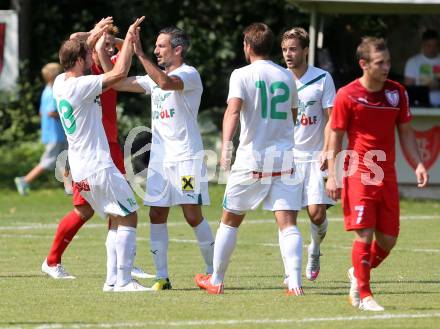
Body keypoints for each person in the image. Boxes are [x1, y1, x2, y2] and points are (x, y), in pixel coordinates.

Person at [44, 16, 150, 292]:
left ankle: (113, 280)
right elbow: (119, 73)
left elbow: (79, 44)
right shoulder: (82, 85)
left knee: (115, 217)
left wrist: (94, 34)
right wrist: (128, 38)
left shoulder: (59, 82)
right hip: (97, 164)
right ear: (82, 59)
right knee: (128, 214)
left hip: (81, 168)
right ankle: (124, 280)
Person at [194, 23, 302, 295]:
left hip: (252, 157)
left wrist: (226, 146)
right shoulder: (287, 76)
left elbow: (233, 111)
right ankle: (294, 281)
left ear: (247, 46)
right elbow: (292, 115)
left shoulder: (241, 74)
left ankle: (216, 280)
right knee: (287, 221)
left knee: (230, 218)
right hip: (284, 157)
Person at [326, 37, 429, 311]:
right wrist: (333, 176)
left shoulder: (397, 93)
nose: (386, 67)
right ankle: (364, 295)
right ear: (364, 64)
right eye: (380, 63)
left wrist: (417, 163)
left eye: (388, 62)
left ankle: (357, 272)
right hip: (359, 172)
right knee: (365, 235)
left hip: (388, 175)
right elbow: (335, 137)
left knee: (389, 240)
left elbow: (406, 133)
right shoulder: (346, 95)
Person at [113, 26, 215, 291]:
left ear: (177, 49)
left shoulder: (188, 74)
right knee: (156, 214)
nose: (157, 51)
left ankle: (214, 271)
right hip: (160, 163)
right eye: (155, 46)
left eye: (161, 46)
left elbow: (165, 83)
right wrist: (108, 48)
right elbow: (118, 81)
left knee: (192, 215)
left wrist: (141, 54)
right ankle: (162, 277)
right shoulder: (154, 77)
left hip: (186, 160)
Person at [281, 27, 336, 281]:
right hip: (286, 157)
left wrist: (328, 150)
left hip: (314, 156)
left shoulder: (322, 78)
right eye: (284, 50)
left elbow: (331, 118)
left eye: (293, 49)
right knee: (287, 217)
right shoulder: (279, 79)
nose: (288, 54)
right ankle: (290, 274)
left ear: (305, 50)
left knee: (316, 213)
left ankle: (314, 249)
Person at [14, 63, 67, 195]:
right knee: (48, 161)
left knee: (65, 159)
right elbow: (50, 112)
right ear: (55, 76)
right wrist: (67, 115)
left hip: (56, 133)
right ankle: (25, 180)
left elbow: (41, 113)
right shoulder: (51, 93)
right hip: (55, 134)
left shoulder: (46, 91)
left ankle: (70, 188)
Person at [404, 29, 440, 106]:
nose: (432, 49)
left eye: (435, 45)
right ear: (423, 45)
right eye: (429, 46)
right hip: (421, 106)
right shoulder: (413, 62)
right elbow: (409, 90)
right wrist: (427, 88)